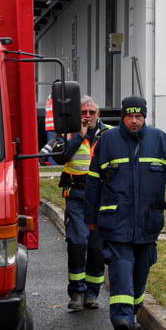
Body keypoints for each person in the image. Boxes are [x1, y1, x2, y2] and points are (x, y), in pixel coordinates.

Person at [87, 96, 166, 330]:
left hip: (147, 221)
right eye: (129, 116)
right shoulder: (107, 142)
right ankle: (120, 318)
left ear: (144, 117)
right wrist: (91, 216)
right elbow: (93, 182)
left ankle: (132, 312)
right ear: (122, 117)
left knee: (141, 267)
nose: (134, 121)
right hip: (115, 221)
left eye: (138, 117)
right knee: (121, 266)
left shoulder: (160, 140)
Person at [56, 96, 108, 310]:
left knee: (96, 248)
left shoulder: (111, 133)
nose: (87, 116)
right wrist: (79, 136)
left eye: (91, 112)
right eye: (83, 112)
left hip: (102, 200)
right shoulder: (67, 133)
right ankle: (77, 292)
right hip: (77, 198)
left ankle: (92, 294)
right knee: (77, 245)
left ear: (98, 114)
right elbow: (59, 157)